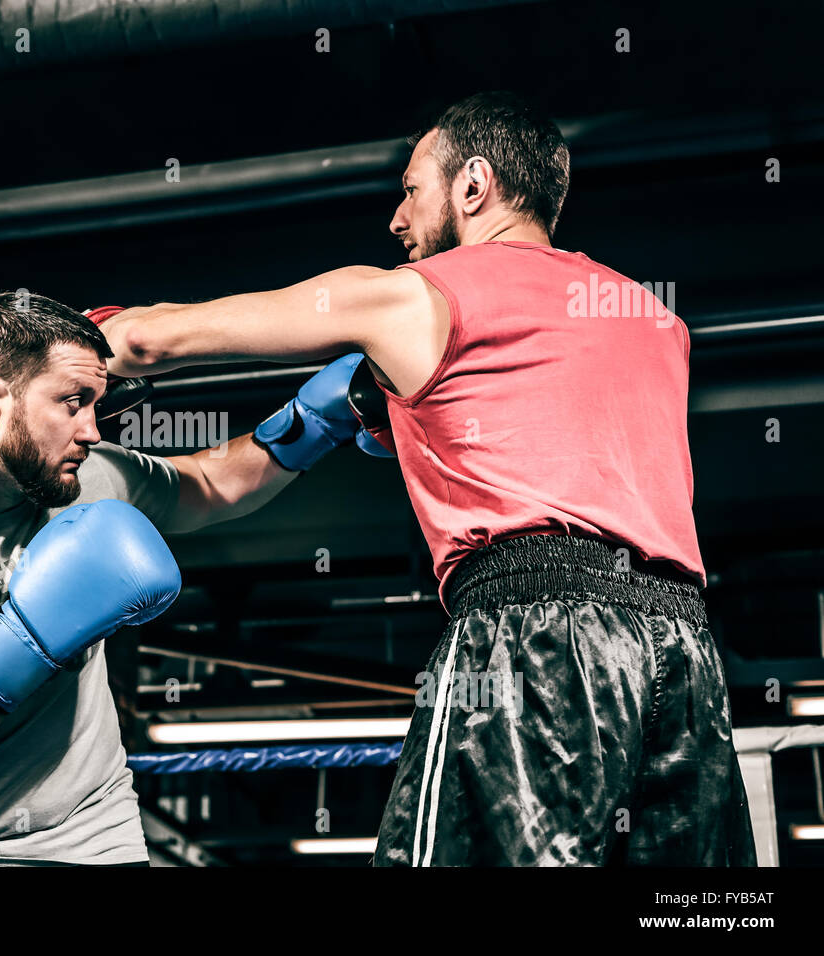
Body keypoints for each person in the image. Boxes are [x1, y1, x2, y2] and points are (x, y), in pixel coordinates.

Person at [97, 91, 757, 866]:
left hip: (532, 630)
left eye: (411, 190)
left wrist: (69, 351)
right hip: (684, 652)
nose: (397, 220)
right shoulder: (655, 321)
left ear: (473, 186)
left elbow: (150, 337)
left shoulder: (411, 298)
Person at [0, 290, 380, 866]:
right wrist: (35, 627)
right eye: (72, 402)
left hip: (86, 838)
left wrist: (313, 422)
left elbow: (210, 483)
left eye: (96, 405)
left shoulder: (87, 480)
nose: (93, 431)